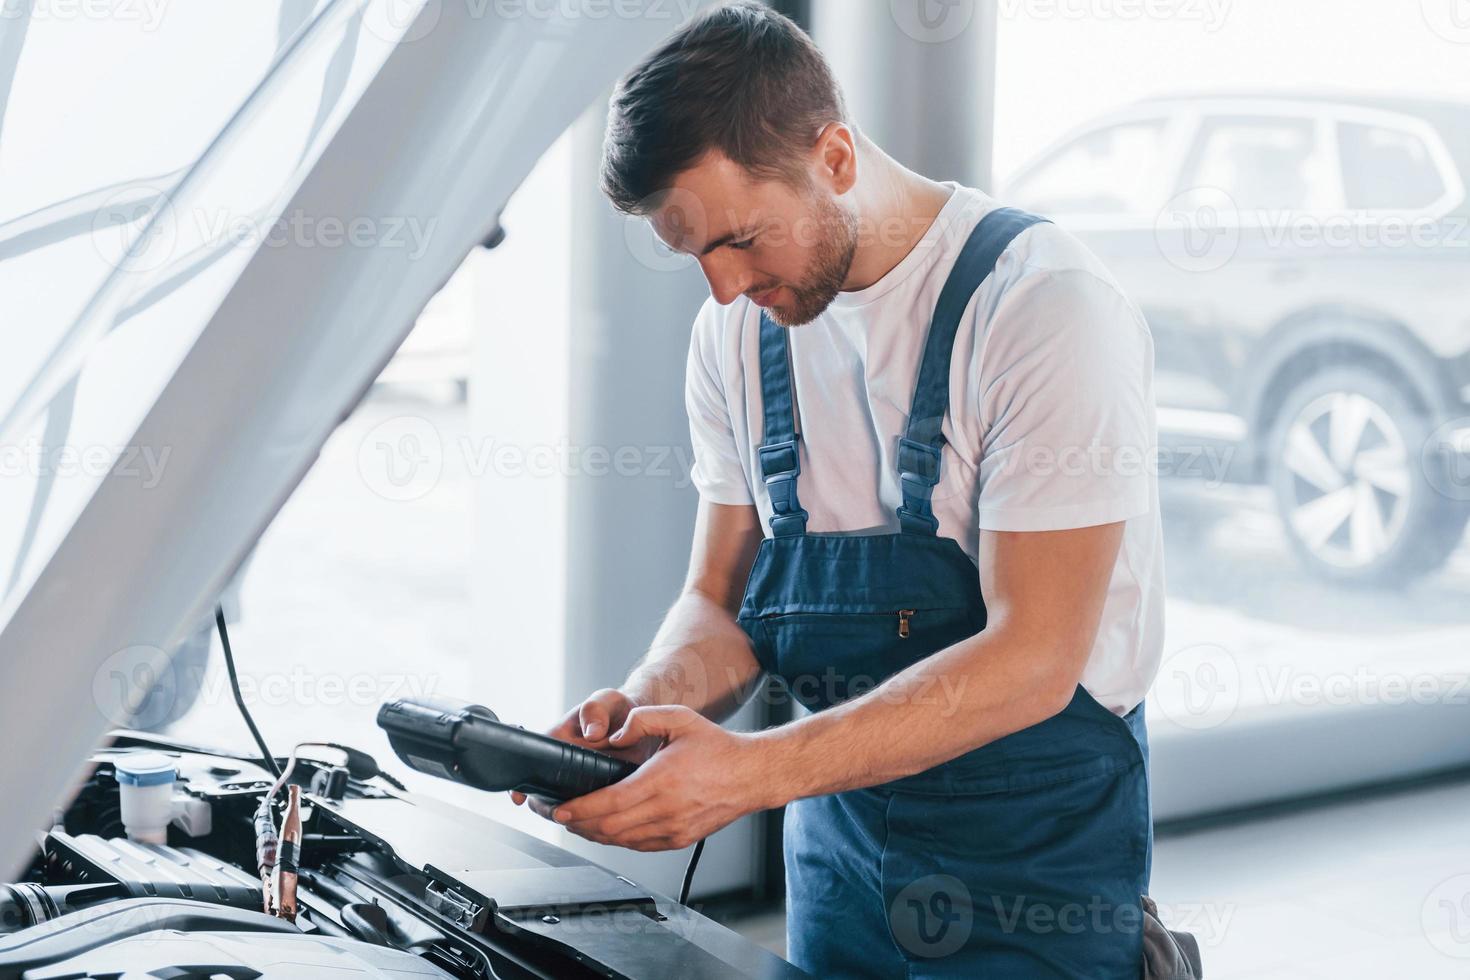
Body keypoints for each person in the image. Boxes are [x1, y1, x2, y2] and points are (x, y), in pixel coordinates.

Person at [513, 3, 1165, 976]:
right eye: (692, 253)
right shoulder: (734, 338)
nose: (723, 289)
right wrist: (645, 713)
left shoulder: (1042, 308)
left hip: (1031, 863)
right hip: (839, 859)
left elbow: (1036, 656)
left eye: (738, 239)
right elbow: (717, 607)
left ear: (837, 158)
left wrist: (750, 772)